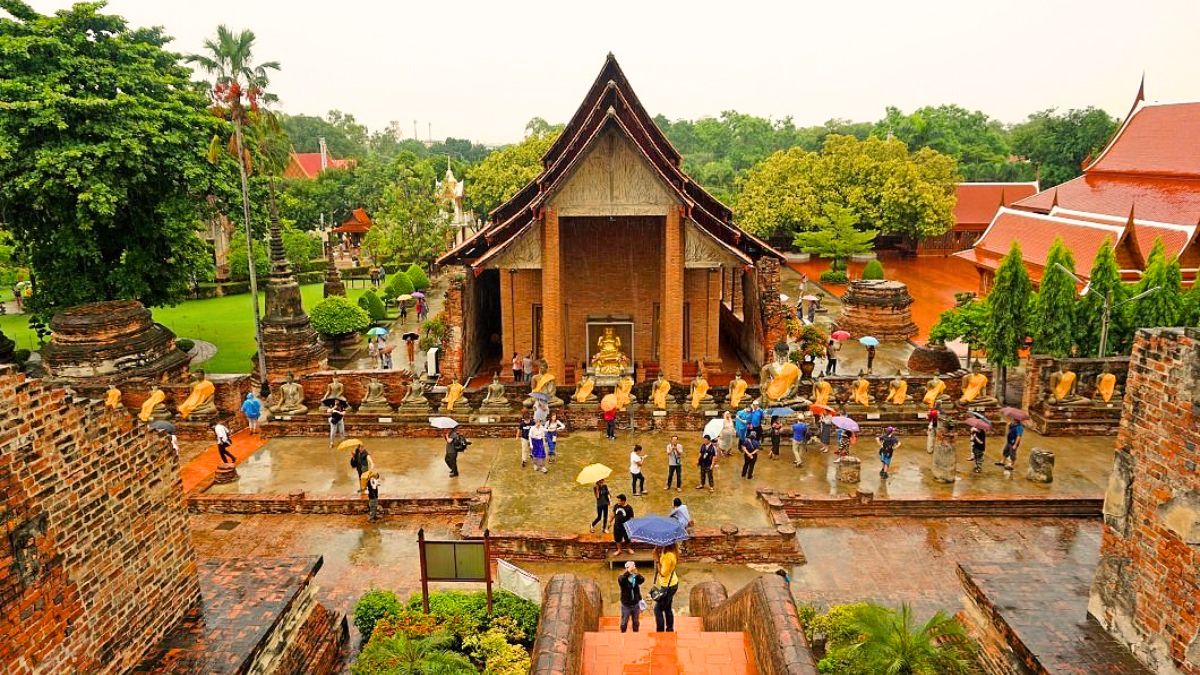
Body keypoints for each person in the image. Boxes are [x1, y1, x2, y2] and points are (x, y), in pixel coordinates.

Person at [653, 544, 680, 632]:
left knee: (658, 609)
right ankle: (670, 629)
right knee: (667, 607)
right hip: (671, 583)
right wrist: (657, 552)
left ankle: (660, 632)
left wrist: (657, 560)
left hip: (667, 587)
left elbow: (663, 573)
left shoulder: (669, 556)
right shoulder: (669, 551)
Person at [617, 560, 645, 633]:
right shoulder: (622, 577)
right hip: (626, 604)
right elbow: (621, 580)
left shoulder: (635, 577)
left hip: (635, 603)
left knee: (636, 622)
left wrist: (637, 574)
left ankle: (635, 634)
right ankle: (623, 633)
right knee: (624, 622)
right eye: (632, 566)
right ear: (627, 568)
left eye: (634, 566)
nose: (633, 567)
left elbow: (642, 580)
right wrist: (628, 572)